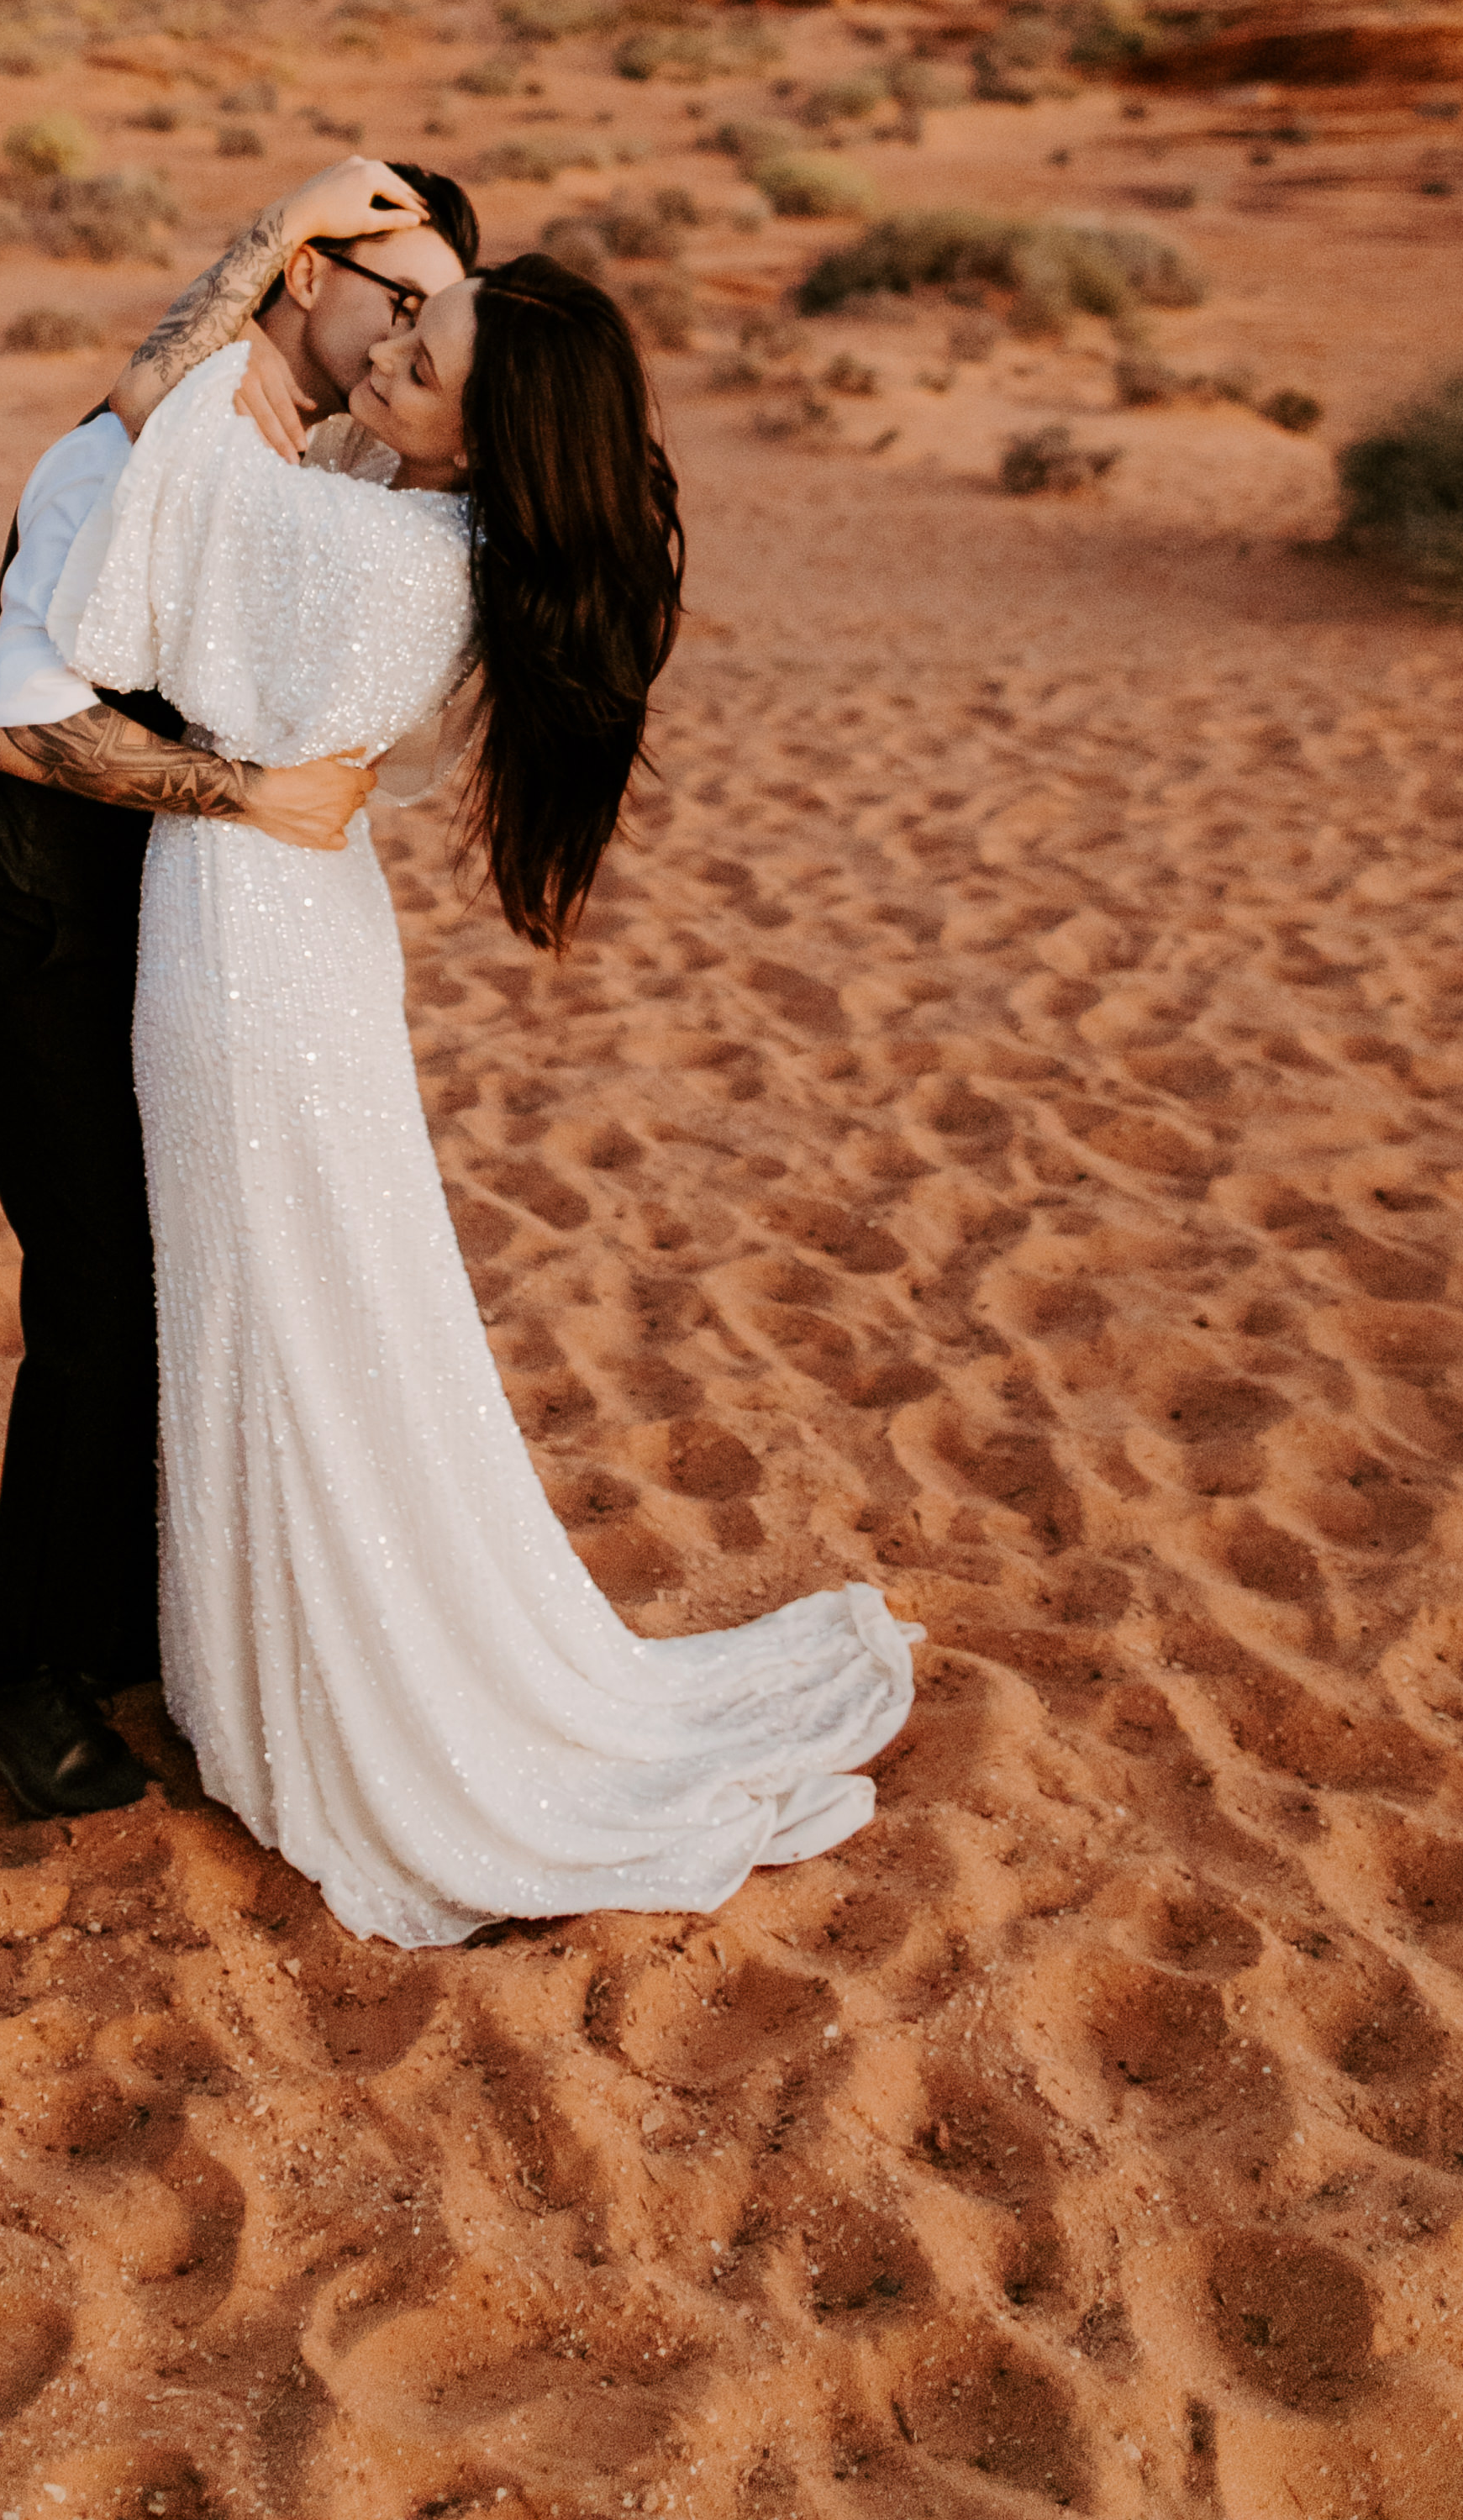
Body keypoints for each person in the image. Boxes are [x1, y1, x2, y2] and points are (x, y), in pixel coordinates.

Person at [46, 253, 921, 1949]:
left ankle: (311, 1696)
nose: (383, 369)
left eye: (422, 365)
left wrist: (269, 249)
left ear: (486, 439)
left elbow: (163, 432)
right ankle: (278, 1656)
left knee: (281, 1310)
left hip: (245, 943)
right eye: (404, 337)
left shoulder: (375, 547)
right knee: (310, 1304)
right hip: (291, 928)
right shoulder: (423, 526)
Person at [0, 154, 481, 1822]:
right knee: (99, 1285)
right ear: (305, 274)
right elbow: (17, 719)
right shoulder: (139, 452)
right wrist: (248, 801)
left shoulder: (291, 455)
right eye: (398, 297)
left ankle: (103, 1618)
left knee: (168, 1275)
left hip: (151, 919)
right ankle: (12, 1671)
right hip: (28, 892)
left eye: (436, 319)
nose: (407, 341)